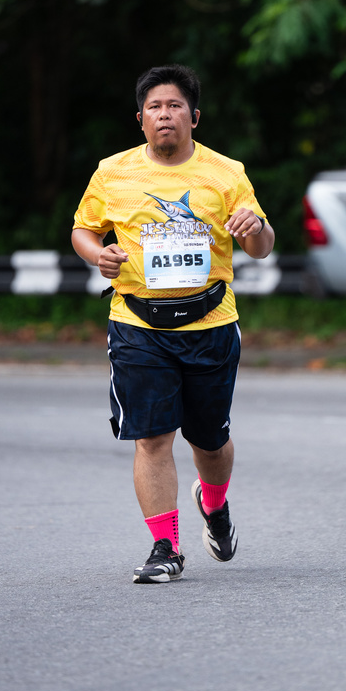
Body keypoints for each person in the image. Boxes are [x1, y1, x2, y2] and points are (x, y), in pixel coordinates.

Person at [71, 64, 275, 583]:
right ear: (140, 119)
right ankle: (166, 547)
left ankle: (215, 503)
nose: (165, 115)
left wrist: (255, 227)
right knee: (152, 438)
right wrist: (98, 254)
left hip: (211, 323)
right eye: (155, 107)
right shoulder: (112, 172)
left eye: (175, 106)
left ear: (194, 117)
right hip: (137, 325)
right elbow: (83, 230)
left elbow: (261, 246)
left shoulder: (226, 173)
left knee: (210, 441)